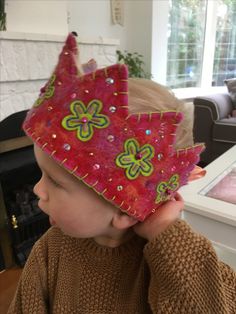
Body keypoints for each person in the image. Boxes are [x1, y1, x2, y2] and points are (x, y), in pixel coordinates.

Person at [8, 34, 236, 314]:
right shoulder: (49, 250)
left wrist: (165, 232)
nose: (37, 190)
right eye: (43, 174)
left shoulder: (177, 259)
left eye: (54, 181)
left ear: (125, 209)